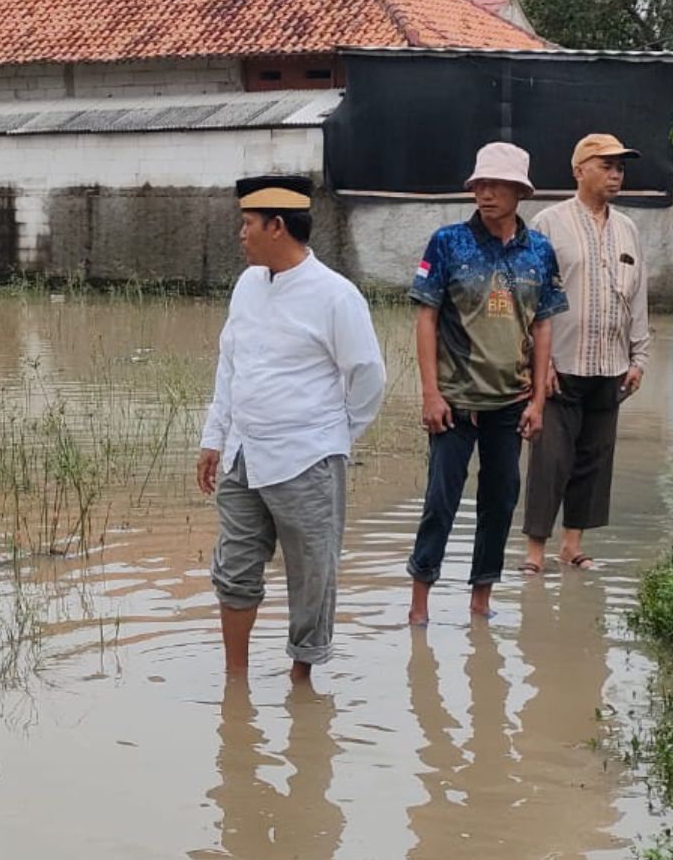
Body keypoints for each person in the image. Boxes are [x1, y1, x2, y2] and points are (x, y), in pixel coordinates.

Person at [197, 175, 386, 682]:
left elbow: (368, 377)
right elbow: (229, 365)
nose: (241, 234)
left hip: (307, 460)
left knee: (311, 577)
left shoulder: (335, 296)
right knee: (234, 570)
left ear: (277, 227)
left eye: (248, 224)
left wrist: (334, 439)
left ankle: (302, 680)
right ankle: (235, 680)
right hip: (242, 455)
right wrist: (213, 438)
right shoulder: (247, 286)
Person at [406, 142, 568, 625]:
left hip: (510, 405)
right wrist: (431, 393)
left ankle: (481, 603)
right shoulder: (448, 242)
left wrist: (538, 401)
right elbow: (426, 318)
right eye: (479, 184)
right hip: (454, 404)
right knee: (440, 502)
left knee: (499, 504)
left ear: (520, 192)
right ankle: (419, 608)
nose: (486, 193)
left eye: (497, 185)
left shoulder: (539, 251)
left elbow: (542, 326)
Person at [521, 133, 650, 574]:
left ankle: (571, 545)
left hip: (610, 366)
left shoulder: (628, 229)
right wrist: (539, 362)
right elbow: (529, 298)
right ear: (579, 170)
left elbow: (639, 299)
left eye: (620, 168)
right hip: (560, 364)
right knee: (550, 457)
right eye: (606, 165)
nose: (616, 174)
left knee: (595, 458)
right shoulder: (547, 224)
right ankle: (534, 552)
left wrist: (640, 358)